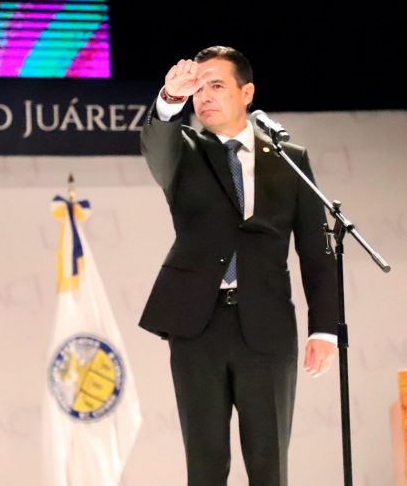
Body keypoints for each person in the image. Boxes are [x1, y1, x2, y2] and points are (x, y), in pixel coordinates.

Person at [139, 46, 338, 485]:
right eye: (198, 89)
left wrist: (324, 329)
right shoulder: (184, 151)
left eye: (216, 85)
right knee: (205, 464)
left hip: (267, 323)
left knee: (270, 464)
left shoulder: (289, 160)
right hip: (198, 324)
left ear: (246, 92)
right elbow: (156, 141)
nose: (205, 96)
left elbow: (316, 249)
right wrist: (169, 99)